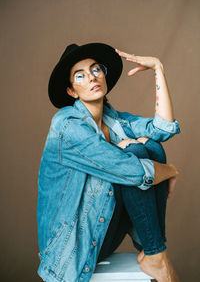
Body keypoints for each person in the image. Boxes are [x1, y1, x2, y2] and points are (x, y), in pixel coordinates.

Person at [37, 42, 181, 282]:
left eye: (96, 70)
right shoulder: (67, 125)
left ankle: (154, 253)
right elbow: (134, 172)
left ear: (104, 75)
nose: (92, 78)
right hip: (70, 248)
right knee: (136, 152)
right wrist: (172, 171)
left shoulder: (114, 120)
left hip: (101, 229)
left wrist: (158, 68)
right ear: (72, 91)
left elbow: (162, 128)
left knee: (150, 147)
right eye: (80, 75)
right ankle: (157, 254)